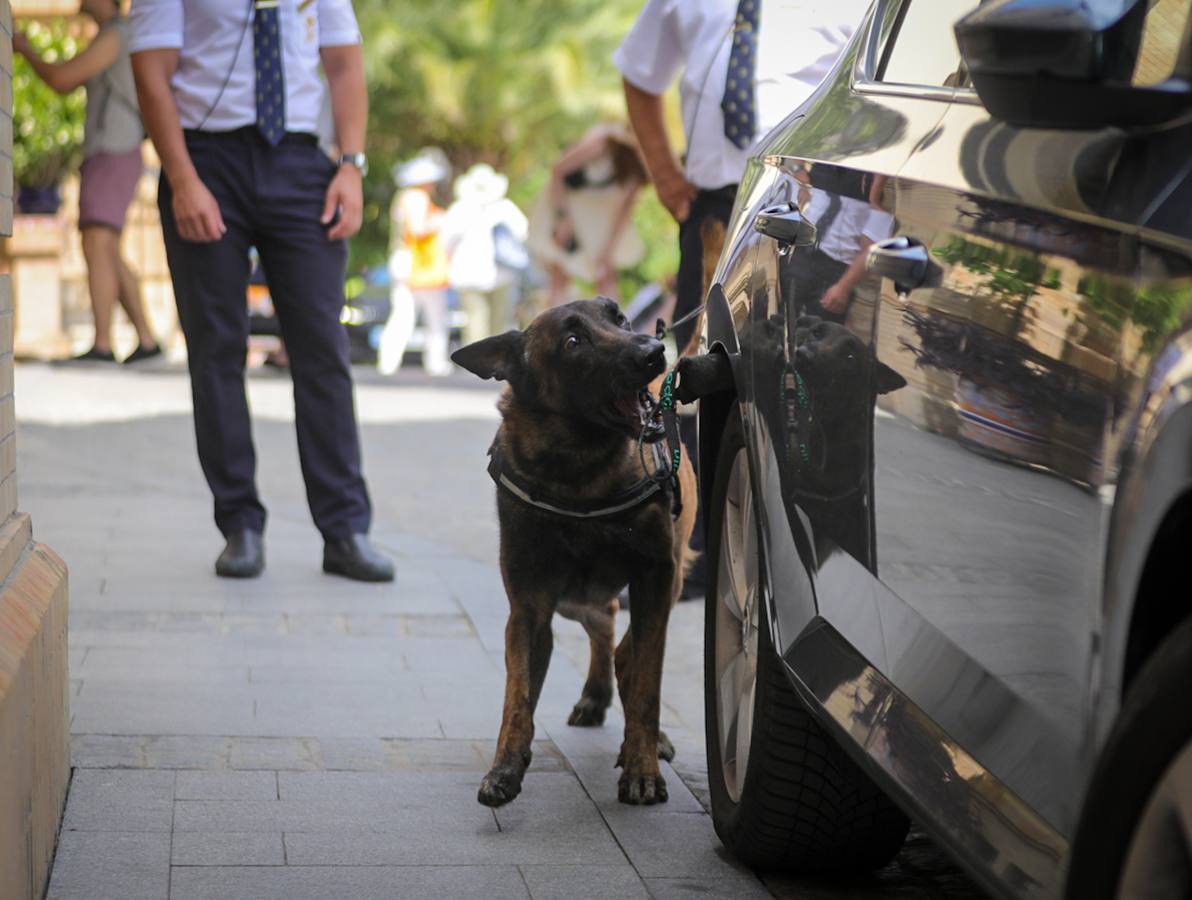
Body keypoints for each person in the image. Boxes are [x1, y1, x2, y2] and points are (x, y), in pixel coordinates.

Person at [128, 0, 394, 582]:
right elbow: (151, 69)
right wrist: (182, 180)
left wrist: (351, 166)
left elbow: (344, 63)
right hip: (206, 158)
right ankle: (240, 525)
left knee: (322, 348)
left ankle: (346, 530)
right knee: (218, 347)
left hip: (302, 161)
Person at [615, 0, 869, 597]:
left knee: (800, 373)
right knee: (700, 376)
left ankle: (806, 562)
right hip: (713, 206)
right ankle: (697, 549)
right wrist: (663, 174)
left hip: (809, 201)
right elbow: (639, 72)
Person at [14, 0, 160, 364]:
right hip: (115, 149)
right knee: (105, 245)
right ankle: (146, 340)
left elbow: (62, 79)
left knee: (98, 240)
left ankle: (102, 343)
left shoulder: (115, 36)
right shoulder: (116, 35)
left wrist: (23, 47)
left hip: (114, 148)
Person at [526, 123, 647, 306]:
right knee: (560, 276)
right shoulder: (606, 144)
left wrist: (608, 251)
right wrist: (562, 219)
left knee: (606, 277)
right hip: (566, 211)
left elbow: (624, 212)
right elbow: (558, 170)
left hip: (601, 223)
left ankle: (614, 331)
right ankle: (554, 331)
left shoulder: (640, 167)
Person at [382, 149, 453, 377]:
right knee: (432, 316)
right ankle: (435, 362)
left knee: (404, 314)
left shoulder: (403, 197)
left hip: (406, 261)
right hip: (417, 263)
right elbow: (418, 228)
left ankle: (389, 361)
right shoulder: (416, 197)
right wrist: (441, 219)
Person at [442, 163, 528, 344]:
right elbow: (523, 233)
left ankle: (475, 368)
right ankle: (494, 366)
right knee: (498, 325)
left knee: (476, 323)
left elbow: (446, 243)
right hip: (500, 276)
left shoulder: (459, 209)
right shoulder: (504, 208)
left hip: (470, 277)